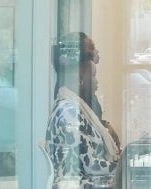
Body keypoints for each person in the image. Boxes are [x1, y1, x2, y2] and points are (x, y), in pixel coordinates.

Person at [45, 37, 120, 188]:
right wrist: (123, 165)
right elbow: (90, 165)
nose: (96, 81)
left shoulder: (74, 107)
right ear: (80, 77)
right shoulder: (69, 112)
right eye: (93, 75)